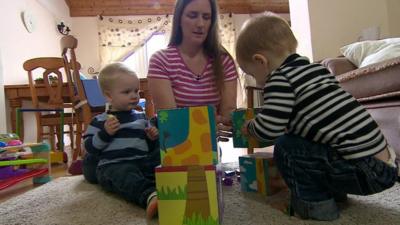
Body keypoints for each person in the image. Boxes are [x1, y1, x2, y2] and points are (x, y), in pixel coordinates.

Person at [236, 13, 399, 221]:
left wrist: (249, 126)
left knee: (287, 148)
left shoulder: (279, 79)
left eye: (249, 72)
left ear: (261, 61)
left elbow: (270, 129)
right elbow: (318, 123)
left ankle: (314, 207)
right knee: (314, 140)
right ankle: (332, 193)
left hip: (363, 170)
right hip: (386, 166)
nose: (255, 81)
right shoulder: (316, 71)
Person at [147, 0, 238, 140]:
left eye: (206, 17)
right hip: (173, 149)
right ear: (179, 19)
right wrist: (208, 124)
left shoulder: (224, 61)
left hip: (210, 150)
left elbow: (227, 117)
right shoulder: (160, 60)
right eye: (192, 15)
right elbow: (169, 120)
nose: (200, 24)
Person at [82, 62, 160, 219]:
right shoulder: (100, 120)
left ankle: (174, 183)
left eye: (136, 91)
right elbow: (89, 147)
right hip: (115, 165)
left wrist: (151, 138)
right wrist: (105, 133)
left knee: (160, 156)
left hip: (142, 162)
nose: (134, 95)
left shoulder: (141, 117)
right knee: (125, 175)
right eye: (127, 92)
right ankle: (150, 195)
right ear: (109, 96)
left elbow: (145, 145)